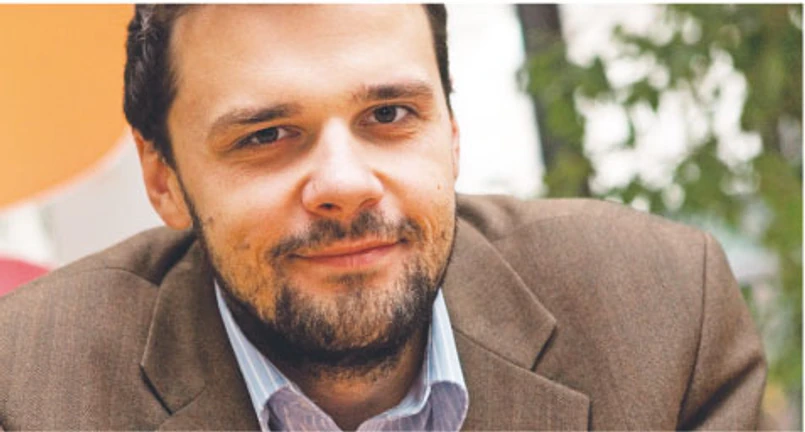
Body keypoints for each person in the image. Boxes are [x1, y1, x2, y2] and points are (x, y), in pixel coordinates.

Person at [0, 4, 767, 430]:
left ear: (452, 133)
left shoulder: (660, 311)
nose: (345, 184)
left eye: (390, 114)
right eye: (266, 135)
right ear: (162, 178)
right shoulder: (25, 389)